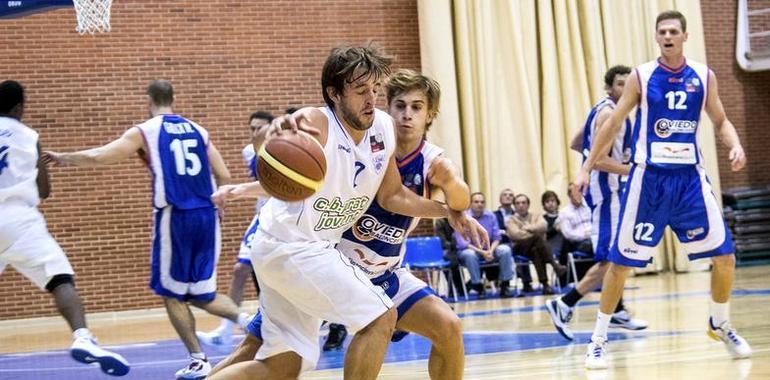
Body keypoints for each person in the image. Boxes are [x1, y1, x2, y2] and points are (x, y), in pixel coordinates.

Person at [206, 45, 487, 380]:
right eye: (360, 91)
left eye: (375, 90)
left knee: (283, 365)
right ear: (334, 94)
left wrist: (448, 212)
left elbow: (393, 195)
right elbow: (269, 144)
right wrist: (276, 130)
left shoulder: (383, 128)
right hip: (295, 248)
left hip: (313, 252)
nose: (371, 100)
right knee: (380, 316)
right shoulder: (317, 122)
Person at [575, 11, 751, 369]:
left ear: (685, 36)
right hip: (649, 180)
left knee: (725, 257)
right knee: (621, 265)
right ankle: (597, 339)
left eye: (674, 31)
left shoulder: (703, 76)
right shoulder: (642, 76)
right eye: (662, 32)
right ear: (657, 38)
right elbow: (613, 123)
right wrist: (586, 166)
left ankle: (719, 322)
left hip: (689, 180)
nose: (668, 36)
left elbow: (720, 120)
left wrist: (734, 144)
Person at [44, 80, 251, 380]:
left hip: (175, 217)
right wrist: (218, 203)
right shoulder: (198, 129)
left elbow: (100, 156)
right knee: (200, 294)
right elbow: (224, 174)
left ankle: (198, 360)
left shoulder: (146, 130)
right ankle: (250, 321)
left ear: (148, 100)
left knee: (172, 294)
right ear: (173, 97)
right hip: (207, 216)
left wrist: (64, 158)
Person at [0, 80, 130, 376]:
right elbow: (44, 190)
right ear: (20, 107)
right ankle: (83, 337)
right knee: (60, 279)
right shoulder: (29, 135)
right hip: (19, 220)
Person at [546, 66, 648, 342]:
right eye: (619, 84)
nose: (625, 88)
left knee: (620, 252)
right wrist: (633, 169)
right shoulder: (609, 114)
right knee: (611, 259)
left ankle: (617, 309)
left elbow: (576, 142)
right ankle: (565, 302)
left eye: (629, 84)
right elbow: (599, 160)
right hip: (607, 192)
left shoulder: (601, 108)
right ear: (609, 87)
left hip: (609, 190)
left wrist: (593, 155)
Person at [197, 110, 274, 347]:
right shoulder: (250, 152)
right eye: (251, 128)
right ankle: (227, 329)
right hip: (264, 216)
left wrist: (236, 190)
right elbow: (265, 185)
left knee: (273, 276)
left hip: (284, 217)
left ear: (272, 128)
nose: (254, 133)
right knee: (241, 269)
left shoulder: (287, 149)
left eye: (259, 128)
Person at [458, 192, 516, 298]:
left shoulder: (490, 216)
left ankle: (505, 285)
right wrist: (484, 253)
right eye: (476, 202)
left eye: (482, 202)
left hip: (489, 248)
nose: (480, 204)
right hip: (472, 250)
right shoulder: (462, 218)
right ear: (470, 204)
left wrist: (489, 251)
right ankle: (478, 286)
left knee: (505, 249)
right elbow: (464, 244)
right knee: (469, 254)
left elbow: (497, 237)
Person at [506, 194, 567, 295]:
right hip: (520, 248)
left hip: (534, 248)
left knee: (536, 251)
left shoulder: (536, 215)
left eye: (523, 203)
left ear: (528, 205)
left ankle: (545, 285)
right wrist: (534, 231)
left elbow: (544, 226)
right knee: (538, 238)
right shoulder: (511, 220)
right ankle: (554, 265)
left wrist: (528, 229)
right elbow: (515, 235)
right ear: (514, 206)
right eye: (517, 203)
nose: (521, 205)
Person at [496, 188, 533, 292]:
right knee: (505, 250)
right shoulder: (494, 215)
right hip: (501, 244)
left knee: (525, 248)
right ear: (500, 199)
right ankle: (505, 284)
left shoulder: (519, 214)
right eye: (505, 195)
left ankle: (527, 282)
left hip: (517, 242)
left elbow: (523, 230)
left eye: (511, 195)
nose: (508, 197)